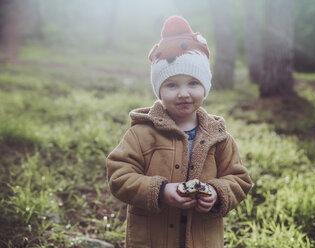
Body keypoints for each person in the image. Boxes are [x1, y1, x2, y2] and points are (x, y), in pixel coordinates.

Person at [106, 15, 253, 248]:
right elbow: (119, 176)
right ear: (159, 91)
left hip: (202, 239)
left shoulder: (219, 137)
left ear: (205, 87)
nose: (183, 93)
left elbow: (239, 179)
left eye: (193, 83)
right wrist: (161, 191)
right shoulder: (142, 133)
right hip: (153, 239)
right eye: (172, 85)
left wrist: (217, 193)